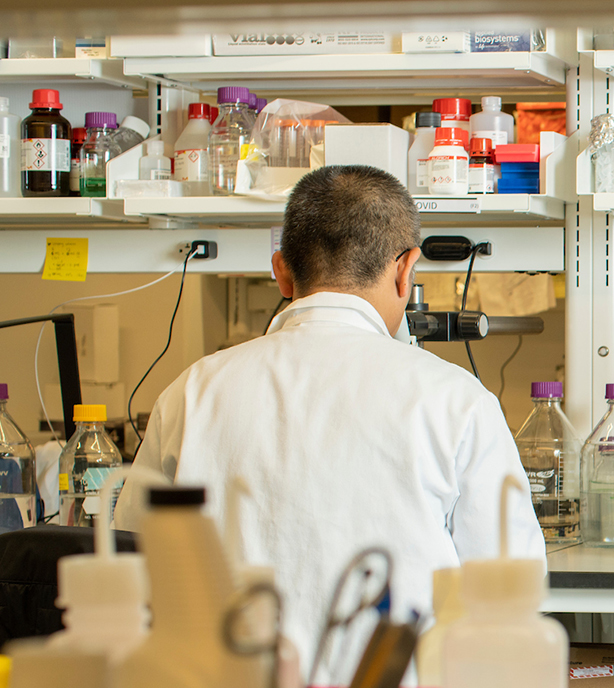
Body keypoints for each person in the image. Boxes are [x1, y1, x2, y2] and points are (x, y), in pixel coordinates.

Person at [134, 165, 543, 675]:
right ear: (406, 269)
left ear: (281, 271)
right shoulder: (457, 401)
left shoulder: (191, 393)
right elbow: (509, 595)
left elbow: (132, 568)